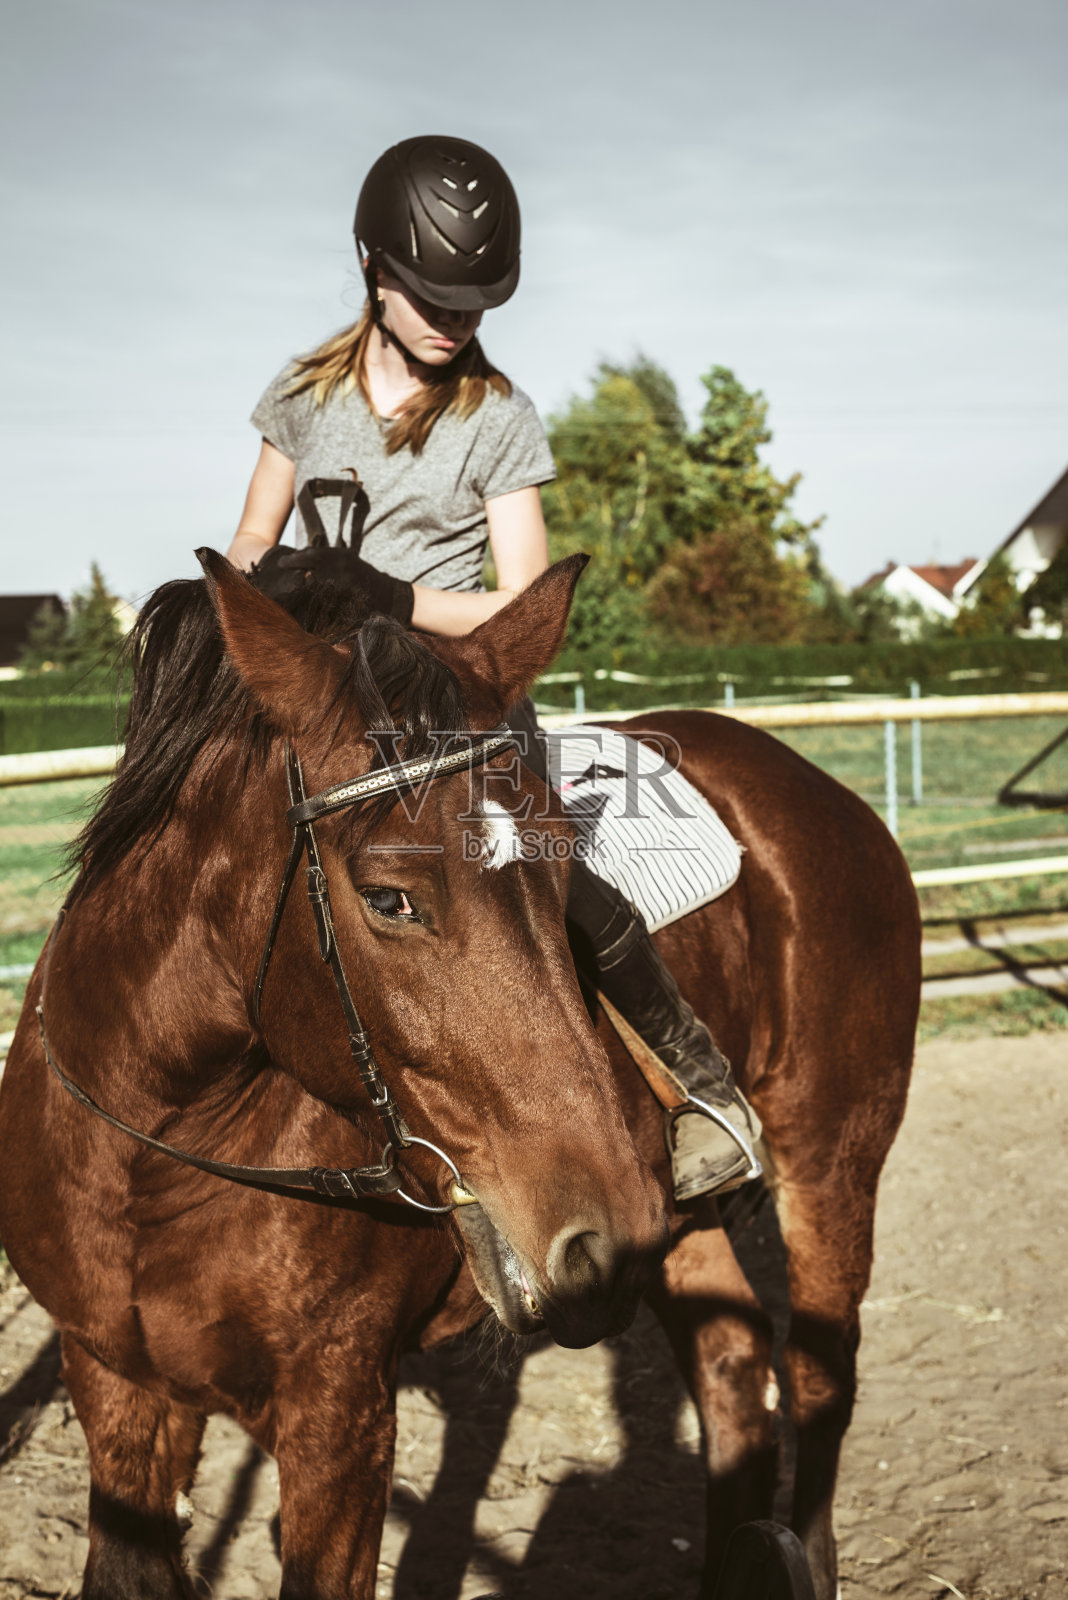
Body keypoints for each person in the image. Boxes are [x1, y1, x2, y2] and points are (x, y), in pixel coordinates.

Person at [227, 135, 760, 1200]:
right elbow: (248, 537)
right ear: (376, 269)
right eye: (435, 296)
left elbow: (523, 596)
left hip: (455, 697)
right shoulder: (299, 393)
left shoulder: (499, 419)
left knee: (554, 874)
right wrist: (253, 594)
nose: (457, 320)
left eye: (476, 302)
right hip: (330, 701)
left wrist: (396, 600)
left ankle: (709, 1094)